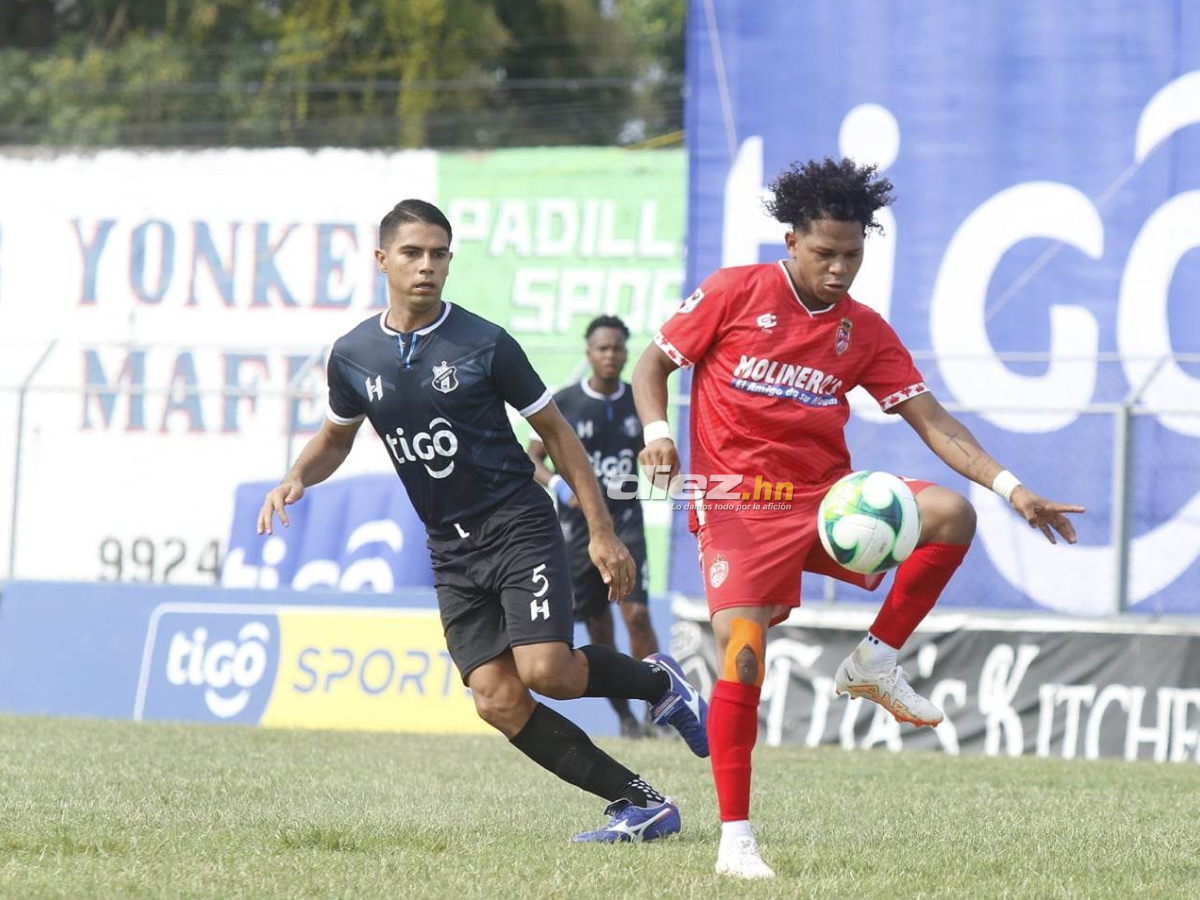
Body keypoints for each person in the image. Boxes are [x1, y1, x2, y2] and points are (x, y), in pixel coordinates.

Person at [632, 158, 1085, 877]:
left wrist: (1012, 487)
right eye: (825, 254)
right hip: (739, 506)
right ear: (791, 241)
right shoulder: (733, 291)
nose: (840, 269)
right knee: (743, 654)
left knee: (951, 513)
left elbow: (934, 423)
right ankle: (736, 841)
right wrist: (659, 434)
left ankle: (875, 661)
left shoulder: (863, 330)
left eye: (853, 255)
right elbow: (650, 366)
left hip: (824, 501)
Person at [258, 199, 709, 843]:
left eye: (439, 254)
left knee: (547, 671)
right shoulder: (354, 354)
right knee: (497, 698)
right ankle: (642, 804)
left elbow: (559, 436)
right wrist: (297, 475)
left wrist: (601, 530)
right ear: (381, 259)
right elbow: (336, 436)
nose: (427, 265)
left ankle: (656, 680)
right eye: (412, 253)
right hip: (450, 548)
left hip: (517, 524)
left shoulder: (484, 342)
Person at [527, 315, 660, 739]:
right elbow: (531, 459)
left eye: (618, 348)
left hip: (625, 523)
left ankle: (659, 712)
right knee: (598, 626)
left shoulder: (637, 402)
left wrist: (659, 464)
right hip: (577, 530)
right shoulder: (565, 401)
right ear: (589, 354)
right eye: (602, 348)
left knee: (638, 616)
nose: (610, 355)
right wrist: (557, 484)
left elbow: (653, 455)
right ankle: (625, 719)